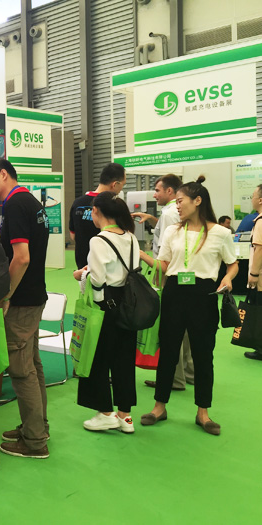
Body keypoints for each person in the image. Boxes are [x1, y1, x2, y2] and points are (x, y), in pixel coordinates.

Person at [139, 176, 238, 435]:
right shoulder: (172, 231)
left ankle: (203, 412)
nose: (177, 205)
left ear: (198, 201)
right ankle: (159, 407)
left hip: (204, 296)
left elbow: (232, 263)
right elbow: (163, 266)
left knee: (203, 355)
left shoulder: (221, 233)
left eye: (181, 201)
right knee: (168, 352)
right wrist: (141, 255)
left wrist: (228, 278)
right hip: (173, 293)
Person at [0, 158, 51, 459]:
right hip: (35, 295)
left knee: (22, 371)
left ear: (3, 174)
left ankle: (35, 441)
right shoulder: (31, 202)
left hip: (22, 300)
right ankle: (37, 427)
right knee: (32, 365)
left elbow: (21, 257)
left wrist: (5, 295)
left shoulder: (15, 204)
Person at [73, 192, 139, 434]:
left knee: (97, 358)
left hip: (105, 305)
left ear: (97, 212)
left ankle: (105, 412)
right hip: (128, 303)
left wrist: (82, 274)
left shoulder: (99, 240)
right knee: (124, 360)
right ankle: (125, 415)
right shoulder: (130, 237)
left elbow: (98, 279)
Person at [134, 174, 194, 392]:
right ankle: (189, 372)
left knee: (172, 327)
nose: (154, 194)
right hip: (187, 275)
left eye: (158, 190)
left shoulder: (170, 213)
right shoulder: (175, 214)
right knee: (186, 326)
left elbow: (166, 251)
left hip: (168, 272)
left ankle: (174, 377)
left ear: (170, 191)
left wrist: (149, 263)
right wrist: (152, 219)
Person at [69, 163, 126, 269]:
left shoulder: (77, 203)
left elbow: (73, 235)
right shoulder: (114, 205)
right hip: (109, 263)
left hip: (82, 263)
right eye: (123, 185)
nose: (121, 189)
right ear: (115, 184)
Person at [243, 184, 262, 361]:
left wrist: (254, 274)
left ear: (260, 200)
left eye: (253, 196)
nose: (252, 199)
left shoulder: (260, 221)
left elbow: (259, 249)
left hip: (261, 277)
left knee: (258, 310)